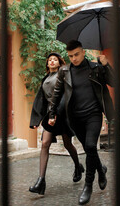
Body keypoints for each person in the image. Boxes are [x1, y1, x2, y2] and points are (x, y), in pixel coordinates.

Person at [48, 40, 115, 205]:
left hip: (93, 115)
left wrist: (106, 65)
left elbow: (114, 82)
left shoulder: (96, 68)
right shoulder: (65, 71)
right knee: (88, 149)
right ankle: (101, 169)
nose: (74, 58)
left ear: (83, 52)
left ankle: (88, 186)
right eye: (70, 56)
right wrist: (52, 113)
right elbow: (57, 93)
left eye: (76, 54)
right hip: (75, 118)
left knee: (91, 146)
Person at [29, 52, 84, 195]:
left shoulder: (64, 74)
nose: (52, 61)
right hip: (51, 115)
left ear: (59, 63)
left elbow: (67, 94)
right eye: (50, 60)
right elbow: (40, 100)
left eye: (55, 60)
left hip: (63, 114)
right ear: (47, 64)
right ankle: (41, 181)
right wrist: (36, 120)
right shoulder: (46, 79)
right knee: (45, 144)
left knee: (67, 144)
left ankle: (78, 166)